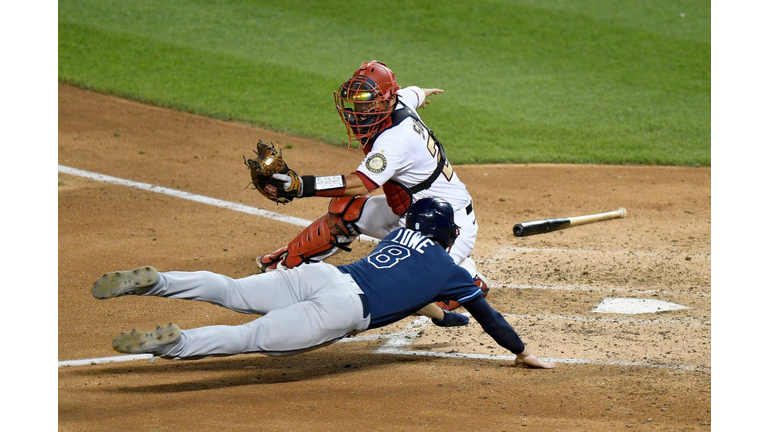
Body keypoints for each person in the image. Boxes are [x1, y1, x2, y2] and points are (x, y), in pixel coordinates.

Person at [92, 198, 554, 369]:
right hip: (340, 311)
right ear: (449, 236)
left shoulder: (400, 233)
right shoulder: (453, 271)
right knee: (249, 337)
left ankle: (158, 282)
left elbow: (408, 289)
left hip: (322, 276)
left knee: (233, 291)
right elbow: (489, 317)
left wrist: (439, 316)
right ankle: (174, 344)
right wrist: (521, 351)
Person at [257, 60, 488, 317]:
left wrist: (302, 186)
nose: (360, 112)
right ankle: (289, 267)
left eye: (368, 105)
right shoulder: (399, 100)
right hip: (411, 213)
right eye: (358, 104)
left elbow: (360, 183)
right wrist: (424, 93)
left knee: (393, 291)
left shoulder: (396, 139)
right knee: (347, 210)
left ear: (387, 102)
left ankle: (465, 275)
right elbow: (413, 93)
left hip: (446, 227)